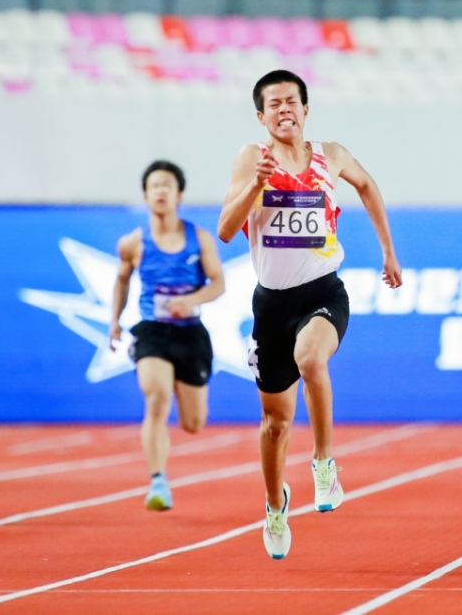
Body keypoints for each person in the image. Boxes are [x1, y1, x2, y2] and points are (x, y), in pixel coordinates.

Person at [217, 71, 402, 560]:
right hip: (271, 305)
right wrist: (253, 187)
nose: (284, 110)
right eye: (274, 104)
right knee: (274, 424)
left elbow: (368, 185)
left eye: (291, 101)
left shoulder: (331, 155)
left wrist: (388, 250)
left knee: (312, 359)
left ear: (305, 109)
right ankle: (275, 504)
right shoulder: (251, 158)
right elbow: (225, 230)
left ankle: (324, 464)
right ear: (261, 116)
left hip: (323, 292)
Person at [110, 161, 225, 510]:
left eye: (167, 186)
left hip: (191, 335)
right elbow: (122, 281)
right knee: (157, 399)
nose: (160, 191)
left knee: (193, 423)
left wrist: (191, 300)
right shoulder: (132, 243)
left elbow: (218, 283)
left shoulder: (199, 238)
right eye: (154, 186)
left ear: (179, 195)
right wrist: (115, 322)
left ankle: (180, 382)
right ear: (146, 196)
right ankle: (158, 481)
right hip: (153, 332)